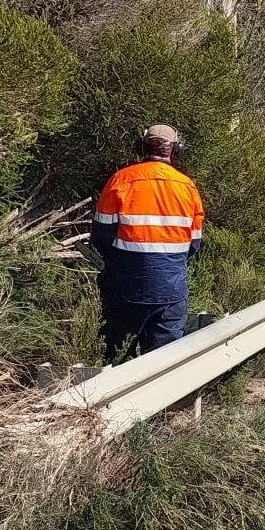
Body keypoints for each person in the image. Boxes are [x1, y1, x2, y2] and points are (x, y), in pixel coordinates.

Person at [90, 124, 206, 363]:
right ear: (176, 150)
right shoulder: (188, 187)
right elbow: (194, 244)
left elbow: (101, 237)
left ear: (141, 147)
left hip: (124, 288)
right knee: (163, 364)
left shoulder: (120, 180)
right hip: (170, 291)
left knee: (117, 359)